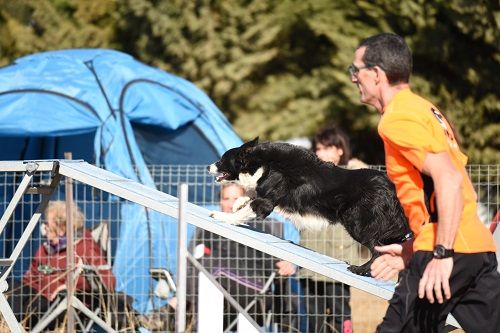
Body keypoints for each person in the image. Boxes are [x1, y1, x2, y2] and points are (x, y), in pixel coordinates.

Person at [349, 32, 500, 332]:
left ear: (376, 74)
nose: (353, 78)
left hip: (446, 250)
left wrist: (441, 254)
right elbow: (452, 182)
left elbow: (449, 178)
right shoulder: (425, 109)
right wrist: (410, 249)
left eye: (355, 70)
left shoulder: (397, 118)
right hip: (476, 248)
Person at [191, 183, 299, 331]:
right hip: (219, 288)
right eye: (226, 198)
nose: (230, 203)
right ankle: (180, 305)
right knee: (202, 266)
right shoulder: (209, 228)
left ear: (246, 201)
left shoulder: (262, 227)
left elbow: (272, 265)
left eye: (236, 198)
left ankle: (176, 306)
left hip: (255, 290)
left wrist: (282, 265)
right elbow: (193, 260)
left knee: (210, 264)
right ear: (219, 202)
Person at [7, 200, 118, 329]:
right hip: (41, 296)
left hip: (66, 304)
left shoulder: (85, 247)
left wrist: (70, 286)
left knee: (35, 305)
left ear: (62, 227)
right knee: (13, 288)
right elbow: (30, 278)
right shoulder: (46, 248)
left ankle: (15, 326)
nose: (44, 228)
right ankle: (10, 326)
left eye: (48, 224)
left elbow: (108, 281)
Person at [298, 126, 366, 333]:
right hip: (310, 258)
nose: (321, 153)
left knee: (340, 317)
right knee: (313, 321)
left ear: (339, 149)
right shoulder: (308, 178)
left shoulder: (353, 175)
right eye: (318, 148)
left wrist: (352, 163)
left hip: (339, 259)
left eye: (327, 147)